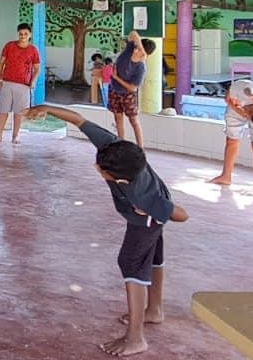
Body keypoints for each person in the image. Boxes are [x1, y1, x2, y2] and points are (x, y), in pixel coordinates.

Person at [25, 105, 188, 357]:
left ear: (119, 180)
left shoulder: (140, 194)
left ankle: (136, 338)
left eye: (102, 171)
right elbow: (79, 119)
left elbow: (180, 214)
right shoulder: (113, 148)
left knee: (131, 264)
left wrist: (156, 211)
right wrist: (45, 108)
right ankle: (154, 310)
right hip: (152, 209)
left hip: (146, 220)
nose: (97, 168)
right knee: (153, 258)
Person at [207, 77, 253, 197]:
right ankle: (226, 176)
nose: (247, 117)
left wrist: (249, 116)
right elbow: (228, 99)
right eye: (249, 115)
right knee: (232, 141)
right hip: (235, 104)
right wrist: (240, 111)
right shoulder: (243, 92)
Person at [0, 23, 41, 144]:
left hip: (24, 85)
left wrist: (33, 81)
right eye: (21, 34)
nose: (23, 36)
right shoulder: (9, 46)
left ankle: (16, 136)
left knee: (19, 112)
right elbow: (1, 63)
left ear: (30, 35)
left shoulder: (33, 50)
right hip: (6, 82)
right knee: (3, 110)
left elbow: (37, 69)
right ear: (18, 34)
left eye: (25, 34)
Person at [108, 31, 155, 148]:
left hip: (127, 94)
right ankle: (121, 144)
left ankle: (140, 148)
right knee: (118, 118)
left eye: (139, 50)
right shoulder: (129, 50)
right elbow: (133, 33)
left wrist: (116, 78)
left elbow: (132, 88)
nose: (136, 50)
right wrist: (139, 46)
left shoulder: (141, 68)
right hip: (114, 90)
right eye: (137, 47)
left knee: (133, 120)